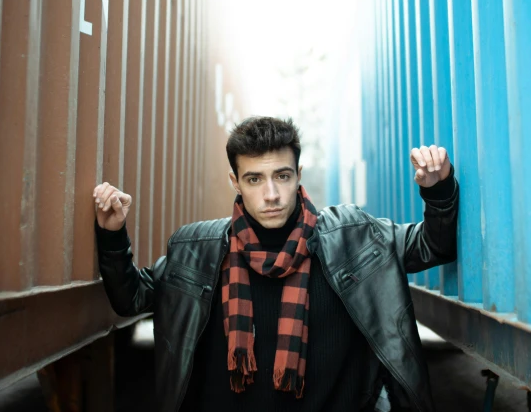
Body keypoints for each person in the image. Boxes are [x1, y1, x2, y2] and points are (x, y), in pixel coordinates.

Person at [94, 116, 459, 412]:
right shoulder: (197, 248)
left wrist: (438, 189)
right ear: (235, 181)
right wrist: (112, 234)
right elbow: (132, 299)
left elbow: (432, 246)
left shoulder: (352, 236)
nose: (271, 194)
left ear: (298, 175)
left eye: (282, 176)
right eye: (255, 179)